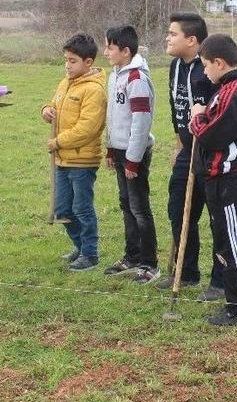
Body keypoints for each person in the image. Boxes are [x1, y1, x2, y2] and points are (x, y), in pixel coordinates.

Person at [155, 13, 225, 300]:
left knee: (215, 216)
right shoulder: (175, 67)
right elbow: (177, 110)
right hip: (187, 149)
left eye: (173, 34)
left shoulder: (208, 68)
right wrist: (178, 146)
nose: (167, 38)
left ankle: (220, 281)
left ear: (192, 40)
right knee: (179, 210)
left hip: (210, 151)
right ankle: (187, 272)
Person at [189, 34, 237, 326]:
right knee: (222, 244)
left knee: (233, 245)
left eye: (206, 66)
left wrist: (197, 117)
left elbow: (212, 135)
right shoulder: (224, 88)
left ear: (219, 63)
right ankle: (233, 301)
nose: (204, 72)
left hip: (230, 181)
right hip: (216, 179)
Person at [41, 34, 108, 272]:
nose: (67, 66)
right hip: (62, 159)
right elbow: (54, 104)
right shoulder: (65, 83)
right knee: (63, 209)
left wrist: (58, 142)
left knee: (82, 208)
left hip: (82, 160)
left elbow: (87, 129)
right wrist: (46, 110)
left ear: (88, 62)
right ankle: (79, 247)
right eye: (66, 60)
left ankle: (90, 254)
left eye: (73, 61)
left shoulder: (94, 90)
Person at [102, 26, 160, 284]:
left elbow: (140, 121)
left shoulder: (136, 78)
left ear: (126, 51)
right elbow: (114, 117)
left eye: (110, 48)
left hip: (135, 155)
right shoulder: (115, 75)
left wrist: (133, 159)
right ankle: (132, 256)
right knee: (126, 204)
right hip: (120, 151)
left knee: (139, 208)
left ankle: (150, 263)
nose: (106, 52)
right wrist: (111, 150)